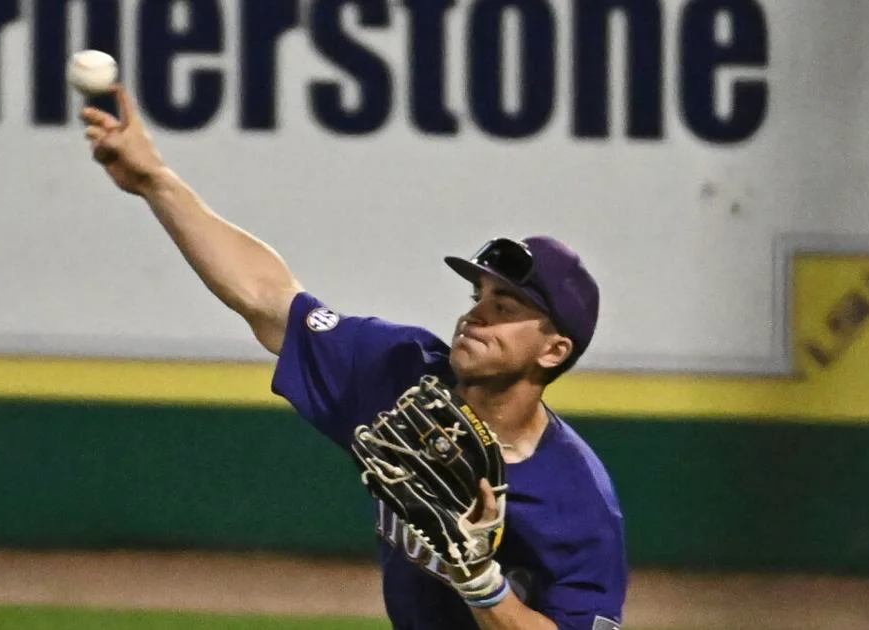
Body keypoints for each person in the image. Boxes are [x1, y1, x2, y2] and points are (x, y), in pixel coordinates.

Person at [80, 86, 628, 630]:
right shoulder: (404, 374)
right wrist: (155, 181)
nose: (476, 316)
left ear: (554, 351)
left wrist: (481, 582)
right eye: (476, 299)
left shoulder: (579, 502)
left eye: (504, 307)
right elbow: (268, 299)